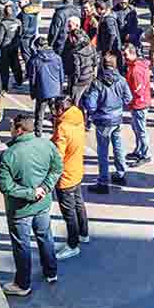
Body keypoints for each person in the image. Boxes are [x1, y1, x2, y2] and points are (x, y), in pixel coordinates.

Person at [0, 114, 63, 297]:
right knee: (45, 236)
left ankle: (22, 283)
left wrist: (30, 193)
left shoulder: (9, 154)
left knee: (22, 245)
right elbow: (57, 168)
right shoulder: (47, 145)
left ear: (19, 130)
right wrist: (45, 188)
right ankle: (51, 271)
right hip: (42, 204)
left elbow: (6, 187)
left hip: (20, 209)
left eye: (11, 126)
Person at [81, 53, 133, 194]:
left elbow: (91, 105)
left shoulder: (97, 83)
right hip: (117, 118)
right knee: (118, 146)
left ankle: (103, 181)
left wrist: (93, 110)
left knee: (103, 151)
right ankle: (121, 173)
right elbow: (128, 98)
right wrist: (117, 106)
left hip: (103, 119)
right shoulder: (121, 80)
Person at [50, 95, 90, 259]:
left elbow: (58, 155)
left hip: (65, 174)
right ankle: (83, 233)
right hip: (77, 168)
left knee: (69, 212)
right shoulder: (78, 116)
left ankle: (73, 244)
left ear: (61, 109)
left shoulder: (63, 128)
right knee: (79, 203)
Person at [28, 36, 64, 137]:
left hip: (42, 90)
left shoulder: (35, 60)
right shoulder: (57, 58)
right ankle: (57, 130)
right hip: (55, 89)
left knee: (40, 113)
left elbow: (33, 79)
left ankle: (38, 133)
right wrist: (60, 89)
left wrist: (32, 92)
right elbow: (61, 75)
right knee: (55, 112)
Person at [123, 44, 152, 166]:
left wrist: (127, 96)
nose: (124, 57)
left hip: (139, 104)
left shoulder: (135, 70)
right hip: (138, 103)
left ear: (132, 54)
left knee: (141, 130)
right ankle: (139, 150)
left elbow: (137, 90)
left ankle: (146, 154)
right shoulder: (136, 66)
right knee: (136, 128)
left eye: (126, 55)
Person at [61, 17, 98, 107]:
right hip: (88, 75)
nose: (67, 28)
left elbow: (76, 69)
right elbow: (94, 57)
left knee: (75, 101)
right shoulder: (86, 38)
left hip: (78, 79)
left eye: (69, 26)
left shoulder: (75, 51)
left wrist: (74, 81)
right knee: (86, 100)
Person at [0, 4, 25, 88]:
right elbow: (20, 34)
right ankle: (19, 81)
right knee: (16, 65)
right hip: (14, 46)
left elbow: (0, 38)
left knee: (4, 68)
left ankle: (4, 86)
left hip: (5, 48)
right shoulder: (18, 22)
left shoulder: (3, 24)